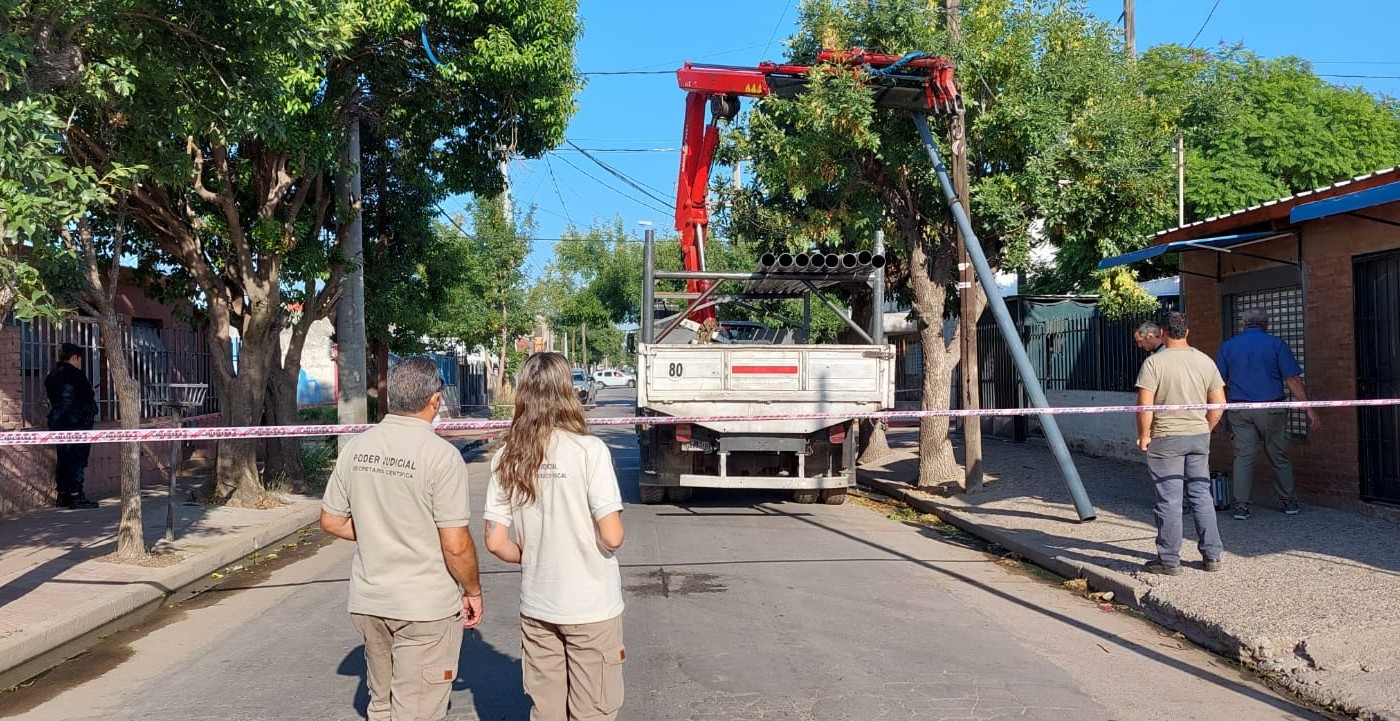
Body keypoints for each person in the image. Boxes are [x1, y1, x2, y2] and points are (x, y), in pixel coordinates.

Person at [320, 356, 483, 721]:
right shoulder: (441, 457)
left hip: (370, 603)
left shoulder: (356, 449)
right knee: (419, 711)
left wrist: (380, 531)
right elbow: (455, 545)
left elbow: (331, 521)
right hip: (423, 608)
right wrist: (472, 591)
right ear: (435, 400)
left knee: (382, 705)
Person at [483, 352, 626, 721]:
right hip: (591, 607)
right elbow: (612, 536)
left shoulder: (506, 457)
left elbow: (495, 541)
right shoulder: (588, 451)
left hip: (538, 606)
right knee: (593, 711)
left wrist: (532, 555)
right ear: (568, 392)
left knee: (546, 712)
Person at [1135, 312, 1227, 575]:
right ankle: (1212, 556)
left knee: (1169, 500)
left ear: (1162, 332)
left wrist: (1144, 435)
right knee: (1201, 494)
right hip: (1198, 436)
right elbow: (1219, 404)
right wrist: (1206, 428)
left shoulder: (1154, 363)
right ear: (1187, 332)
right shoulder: (1205, 361)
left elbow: (1144, 405)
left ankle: (1169, 560)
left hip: (1166, 437)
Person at [1216, 307, 1321, 520]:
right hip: (1272, 409)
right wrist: (1308, 408)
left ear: (1243, 323)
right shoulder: (1276, 344)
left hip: (1240, 409)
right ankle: (1289, 502)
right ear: (1267, 323)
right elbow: (1292, 379)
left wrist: (1217, 412)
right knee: (1278, 455)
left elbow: (1217, 383)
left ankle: (1241, 507)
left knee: (1243, 457)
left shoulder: (1228, 347)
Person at [45, 342, 99, 509]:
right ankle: (76, 495)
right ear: (75, 357)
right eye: (79, 360)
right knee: (77, 457)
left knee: (63, 457)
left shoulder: (52, 375)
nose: (80, 363)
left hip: (58, 420)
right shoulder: (75, 374)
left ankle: (63, 495)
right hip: (76, 420)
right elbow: (86, 395)